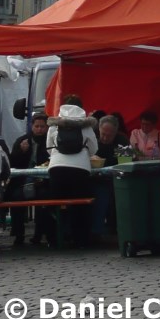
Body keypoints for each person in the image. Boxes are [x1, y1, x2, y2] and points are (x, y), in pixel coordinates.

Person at [46, 96, 99, 248]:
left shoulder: (54, 126)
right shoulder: (86, 127)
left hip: (57, 168)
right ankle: (81, 240)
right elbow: (94, 149)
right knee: (81, 206)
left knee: (55, 205)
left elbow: (49, 148)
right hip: (81, 169)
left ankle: (54, 239)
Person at [8, 113, 53, 246]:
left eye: (42, 126)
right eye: (37, 126)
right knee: (15, 197)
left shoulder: (50, 141)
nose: (39, 129)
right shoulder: (22, 140)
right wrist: (21, 151)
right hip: (22, 181)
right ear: (32, 126)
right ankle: (18, 234)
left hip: (42, 181)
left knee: (44, 198)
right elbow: (13, 163)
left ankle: (39, 234)